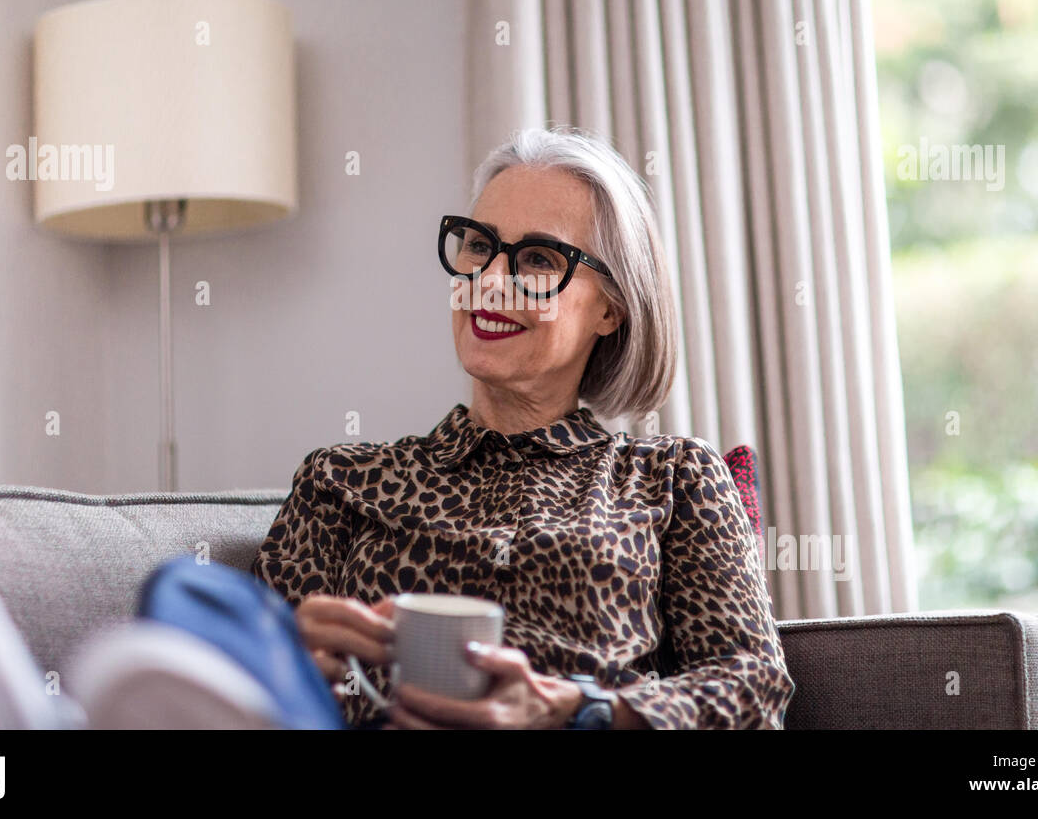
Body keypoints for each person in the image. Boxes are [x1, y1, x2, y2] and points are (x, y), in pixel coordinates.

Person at [243, 124, 795, 729]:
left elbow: (753, 687)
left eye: (537, 259)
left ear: (610, 308)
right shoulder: (341, 480)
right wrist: (278, 662)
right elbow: (231, 699)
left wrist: (578, 710)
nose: (489, 280)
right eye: (479, 245)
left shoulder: (672, 476)